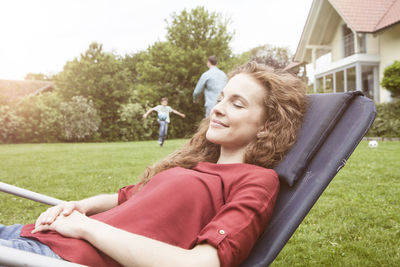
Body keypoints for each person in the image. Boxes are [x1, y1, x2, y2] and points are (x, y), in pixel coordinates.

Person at [0, 62, 307, 267]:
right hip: (34, 235)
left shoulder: (256, 180)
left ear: (267, 125)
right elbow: (125, 197)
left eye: (236, 104)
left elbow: (201, 263)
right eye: (221, 98)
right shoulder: (198, 165)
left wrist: (85, 228)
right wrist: (78, 205)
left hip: (56, 258)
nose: (217, 109)